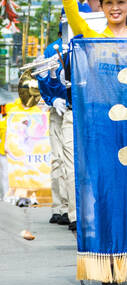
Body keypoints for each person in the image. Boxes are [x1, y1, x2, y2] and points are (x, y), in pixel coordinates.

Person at [37, 18, 74, 230]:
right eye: (64, 22)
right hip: (58, 108)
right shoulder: (52, 49)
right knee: (58, 158)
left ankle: (71, 208)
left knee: (71, 160)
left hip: (74, 107)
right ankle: (59, 207)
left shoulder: (80, 45)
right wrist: (53, 99)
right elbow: (44, 82)